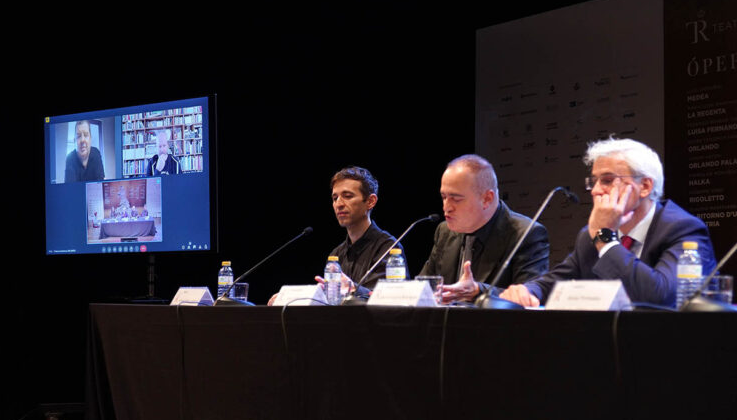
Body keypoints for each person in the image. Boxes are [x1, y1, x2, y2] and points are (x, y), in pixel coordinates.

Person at [500, 137, 716, 308]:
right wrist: (527, 291)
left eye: (608, 180)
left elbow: (662, 298)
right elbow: (553, 282)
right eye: (593, 182)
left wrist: (606, 238)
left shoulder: (683, 230)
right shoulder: (589, 236)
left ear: (645, 186)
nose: (595, 190)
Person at [419, 154, 550, 304]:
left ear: (487, 199)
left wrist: (477, 291)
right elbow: (425, 286)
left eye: (456, 199)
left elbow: (527, 297)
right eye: (444, 197)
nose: (446, 207)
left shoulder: (526, 234)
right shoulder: (444, 231)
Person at [268, 166, 406, 305]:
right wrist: (290, 299)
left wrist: (353, 290)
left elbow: (388, 301)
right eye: (335, 198)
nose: (338, 204)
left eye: (347, 196)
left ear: (370, 201)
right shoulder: (336, 255)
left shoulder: (388, 248)